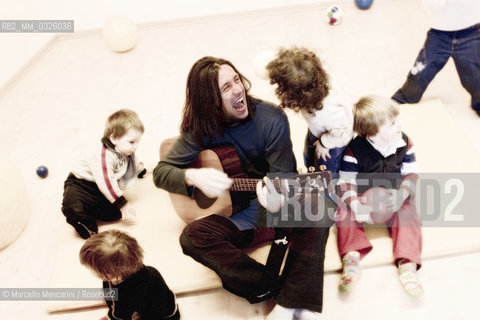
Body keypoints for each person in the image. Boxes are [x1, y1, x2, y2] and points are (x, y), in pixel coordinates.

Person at [153, 56, 333, 319]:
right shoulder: (200, 129)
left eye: (236, 80)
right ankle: (269, 285)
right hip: (237, 218)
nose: (238, 89)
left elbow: (284, 180)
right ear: (209, 101)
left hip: (271, 209)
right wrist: (193, 177)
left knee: (319, 205)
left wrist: (278, 204)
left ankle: (288, 306)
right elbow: (161, 173)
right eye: (226, 87)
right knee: (192, 236)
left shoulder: (271, 119)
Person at [335, 95, 424, 297]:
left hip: (393, 196)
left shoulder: (405, 143)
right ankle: (352, 256)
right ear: (373, 134)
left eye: (397, 119)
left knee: (409, 211)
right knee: (342, 209)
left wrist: (402, 194)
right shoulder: (355, 149)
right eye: (392, 123)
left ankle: (407, 262)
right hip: (363, 197)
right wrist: (355, 203)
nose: (399, 124)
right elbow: (345, 182)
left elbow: (411, 174)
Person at [266, 46, 354, 173]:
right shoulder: (317, 73)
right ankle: (310, 169)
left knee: (325, 171)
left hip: (334, 142)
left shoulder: (328, 113)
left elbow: (343, 132)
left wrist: (324, 143)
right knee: (309, 154)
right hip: (319, 128)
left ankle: (327, 188)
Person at [61, 109, 146, 239]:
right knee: (73, 206)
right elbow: (106, 181)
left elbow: (132, 161)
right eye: (132, 142)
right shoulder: (102, 155)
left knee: (114, 214)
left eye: (138, 142)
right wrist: (122, 203)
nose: (136, 146)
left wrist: (140, 170)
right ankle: (84, 224)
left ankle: (92, 211)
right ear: (114, 138)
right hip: (80, 184)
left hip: (100, 188)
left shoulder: (126, 150)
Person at [392, 0, 480, 116]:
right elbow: (432, 6)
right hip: (439, 34)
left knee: (475, 77)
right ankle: (401, 101)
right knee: (420, 73)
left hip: (470, 32)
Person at [79, 229, 180, 320]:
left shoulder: (147, 287)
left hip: (162, 316)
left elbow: (152, 313)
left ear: (107, 273)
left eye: (92, 270)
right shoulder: (115, 277)